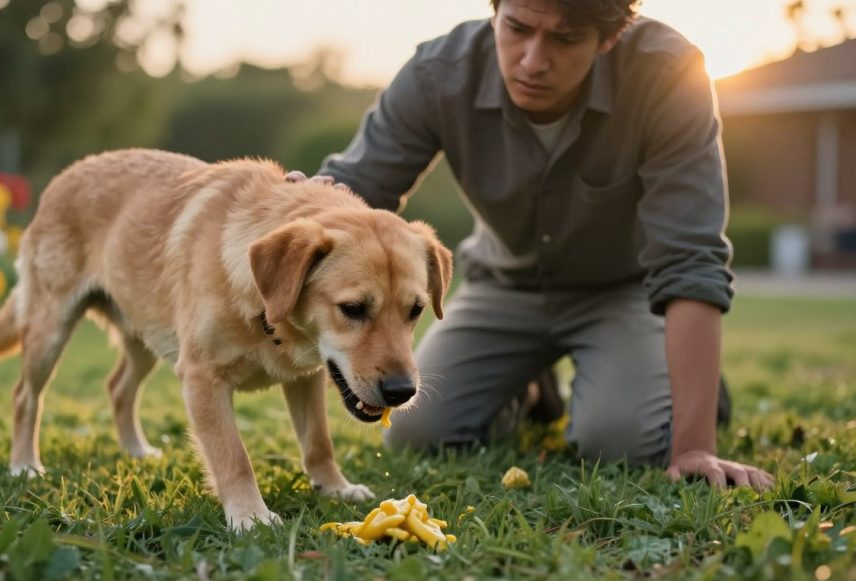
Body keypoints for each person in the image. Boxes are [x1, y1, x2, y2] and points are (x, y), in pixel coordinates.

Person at [292, 0, 773, 489]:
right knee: (418, 431)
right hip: (504, 286)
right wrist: (307, 202)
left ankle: (680, 384)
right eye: (517, 28)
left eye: (564, 40)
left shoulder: (668, 73)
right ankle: (526, 389)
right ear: (495, 11)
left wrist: (693, 446)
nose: (532, 61)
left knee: (618, 441)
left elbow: (690, 259)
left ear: (607, 39)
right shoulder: (438, 72)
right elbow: (359, 186)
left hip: (624, 291)